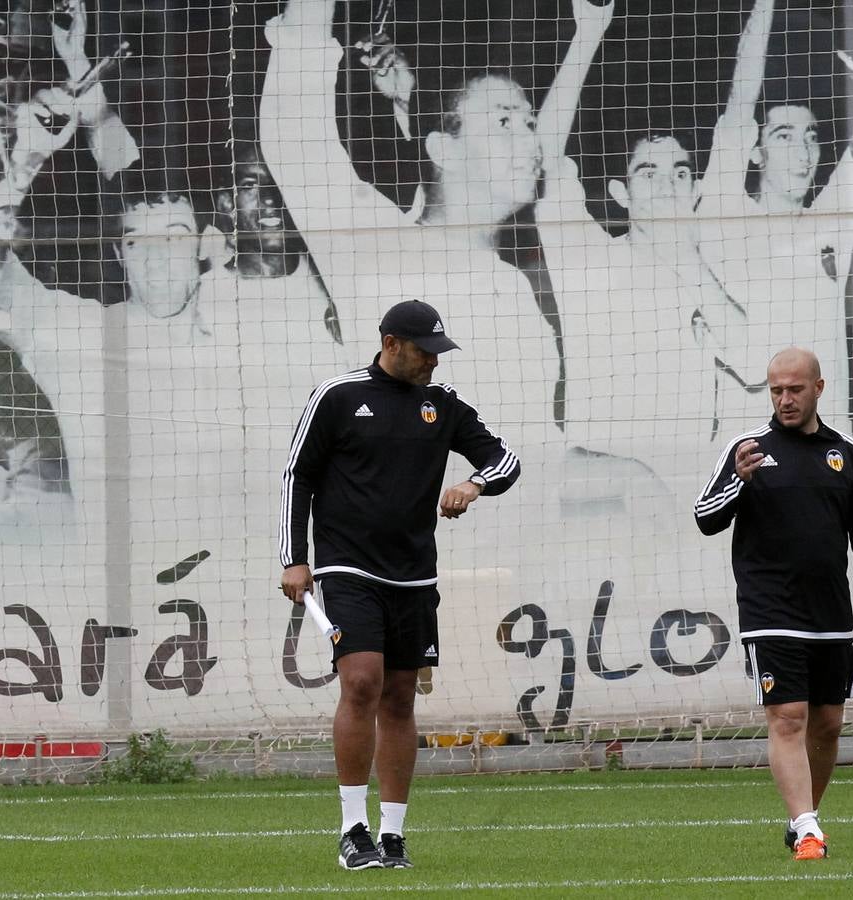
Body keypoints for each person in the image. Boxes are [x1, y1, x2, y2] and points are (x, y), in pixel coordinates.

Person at [278, 299, 521, 870]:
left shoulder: (444, 404)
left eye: (439, 352)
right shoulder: (337, 397)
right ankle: (352, 828)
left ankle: (392, 835)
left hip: (414, 572)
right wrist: (294, 558)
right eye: (425, 351)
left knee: (401, 695)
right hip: (347, 566)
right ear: (391, 344)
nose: (434, 363)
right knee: (361, 681)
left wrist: (474, 484)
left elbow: (503, 460)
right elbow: (299, 475)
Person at [259, 0, 560, 449]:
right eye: (504, 120)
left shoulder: (513, 283)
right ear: (445, 149)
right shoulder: (377, 246)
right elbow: (296, 141)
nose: (532, 139)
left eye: (529, 121)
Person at [533, 0, 750, 502]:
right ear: (620, 194)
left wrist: (689, 258)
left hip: (692, 491)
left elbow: (752, 361)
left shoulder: (709, 270)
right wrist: (589, 32)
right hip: (601, 493)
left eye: (679, 173)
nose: (667, 185)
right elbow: (544, 156)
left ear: (695, 191)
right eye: (647, 173)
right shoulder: (585, 255)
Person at [693, 346, 853, 861]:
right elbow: (705, 516)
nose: (784, 400)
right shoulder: (749, 450)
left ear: (818, 389)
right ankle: (809, 831)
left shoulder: (845, 454)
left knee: (828, 725)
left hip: (829, 612)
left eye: (794, 389)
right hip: (770, 611)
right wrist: (738, 483)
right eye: (776, 390)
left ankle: (801, 818)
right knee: (787, 717)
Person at [697, 0, 853, 428]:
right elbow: (741, 100)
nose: (803, 151)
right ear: (756, 151)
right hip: (747, 452)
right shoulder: (725, 212)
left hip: (825, 446)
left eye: (811, 136)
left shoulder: (833, 219)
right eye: (784, 135)